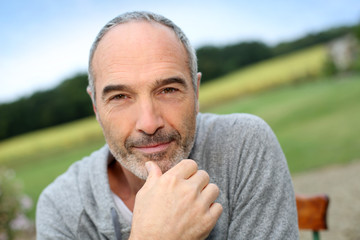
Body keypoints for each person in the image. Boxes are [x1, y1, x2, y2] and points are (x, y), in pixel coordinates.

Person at [36, 11, 299, 239]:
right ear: (96, 106)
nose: (149, 124)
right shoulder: (61, 206)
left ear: (196, 91)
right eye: (120, 97)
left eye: (168, 90)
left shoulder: (243, 146)